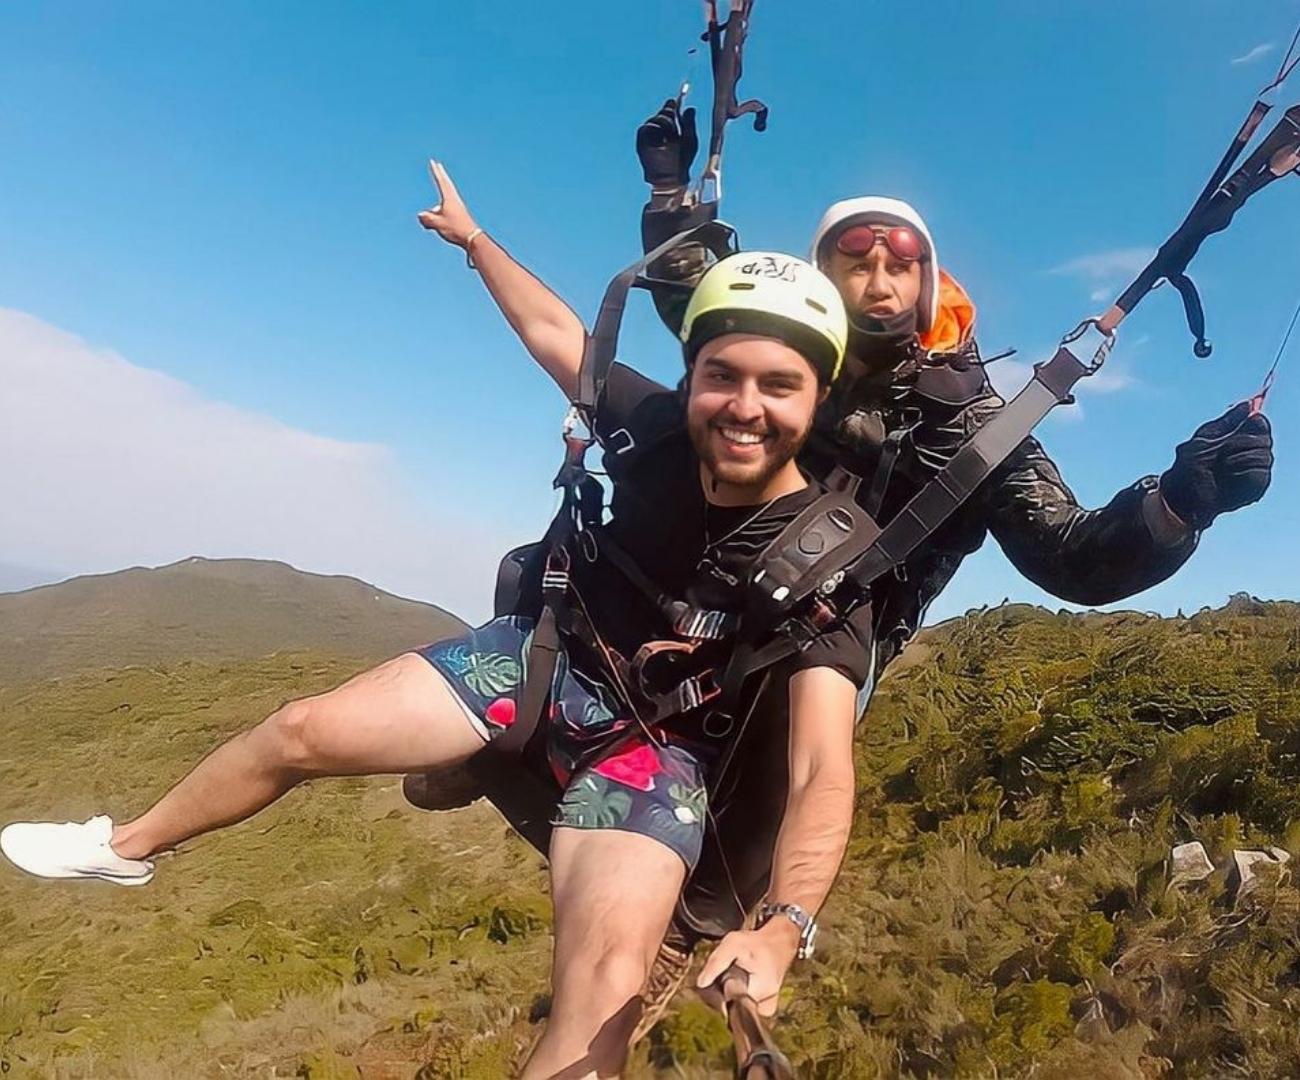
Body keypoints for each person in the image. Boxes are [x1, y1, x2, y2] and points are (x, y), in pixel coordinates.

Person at [2, 162, 875, 1078]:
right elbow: (556, 334)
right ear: (692, 375)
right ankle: (127, 846)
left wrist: (783, 925)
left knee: (604, 994)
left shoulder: (827, 556)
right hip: (546, 664)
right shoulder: (657, 428)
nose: (744, 407)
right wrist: (474, 243)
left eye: (779, 385)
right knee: (302, 728)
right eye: (721, 375)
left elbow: (821, 766)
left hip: (656, 755)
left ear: (815, 400)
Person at [625, 95, 1277, 1026]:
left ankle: (685, 947)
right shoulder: (790, 351)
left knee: (720, 877)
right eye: (854, 261)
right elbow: (694, 294)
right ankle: (496, 735)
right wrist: (668, 189)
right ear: (822, 280)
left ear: (930, 285)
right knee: (557, 568)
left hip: (814, 655)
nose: (879, 278)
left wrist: (1183, 501)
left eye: (901, 262)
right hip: (700, 594)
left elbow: (1075, 558)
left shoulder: (974, 428)